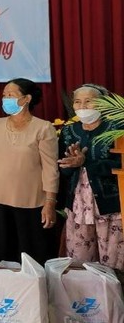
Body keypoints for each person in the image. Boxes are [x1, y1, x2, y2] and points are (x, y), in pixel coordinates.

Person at [0, 78, 59, 264]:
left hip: (31, 201)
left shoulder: (43, 128)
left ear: (26, 98)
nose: (5, 99)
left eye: (11, 95)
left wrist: (50, 202)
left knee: (31, 255)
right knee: (2, 252)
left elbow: (50, 168)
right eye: (4, 95)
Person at [58, 84, 123, 270]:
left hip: (111, 204)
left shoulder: (118, 128)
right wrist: (71, 164)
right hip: (78, 204)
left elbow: (120, 164)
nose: (82, 106)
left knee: (113, 262)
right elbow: (63, 167)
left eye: (89, 101)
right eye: (78, 102)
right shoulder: (69, 131)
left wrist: (86, 162)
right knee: (80, 262)